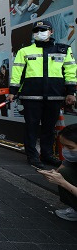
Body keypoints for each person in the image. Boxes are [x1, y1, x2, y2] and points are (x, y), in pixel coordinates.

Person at [8, 20, 77, 169]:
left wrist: (71, 92)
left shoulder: (64, 49)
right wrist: (12, 92)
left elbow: (70, 71)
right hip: (31, 97)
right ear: (33, 33)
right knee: (31, 128)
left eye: (44, 29)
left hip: (55, 96)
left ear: (51, 31)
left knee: (49, 128)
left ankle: (47, 155)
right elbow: (17, 73)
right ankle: (32, 156)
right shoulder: (24, 51)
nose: (40, 32)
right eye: (37, 30)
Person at [37, 123, 77, 221]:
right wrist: (52, 174)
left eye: (70, 147)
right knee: (64, 172)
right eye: (63, 146)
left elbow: (62, 180)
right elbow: (60, 171)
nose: (65, 150)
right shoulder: (72, 157)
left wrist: (62, 182)